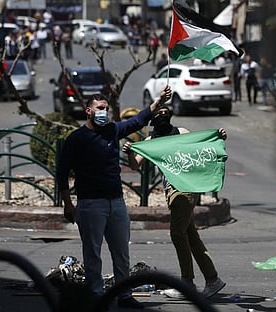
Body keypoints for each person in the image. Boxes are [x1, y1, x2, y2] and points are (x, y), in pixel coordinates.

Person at [56, 86, 172, 309]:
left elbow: (137, 121)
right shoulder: (76, 138)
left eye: (106, 109)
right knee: (92, 254)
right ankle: (95, 295)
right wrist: (68, 204)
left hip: (116, 202)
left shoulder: (112, 130)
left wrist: (157, 102)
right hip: (90, 204)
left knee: (121, 252)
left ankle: (124, 295)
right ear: (88, 110)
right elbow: (62, 172)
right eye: (100, 108)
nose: (104, 113)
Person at [122, 106, 227, 300]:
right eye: (159, 111)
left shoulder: (181, 133)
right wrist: (129, 151)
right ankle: (213, 279)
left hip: (186, 189)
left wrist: (217, 138)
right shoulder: (151, 141)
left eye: (166, 111)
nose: (162, 114)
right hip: (171, 191)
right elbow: (136, 164)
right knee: (190, 235)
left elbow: (201, 147)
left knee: (177, 234)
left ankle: (187, 283)